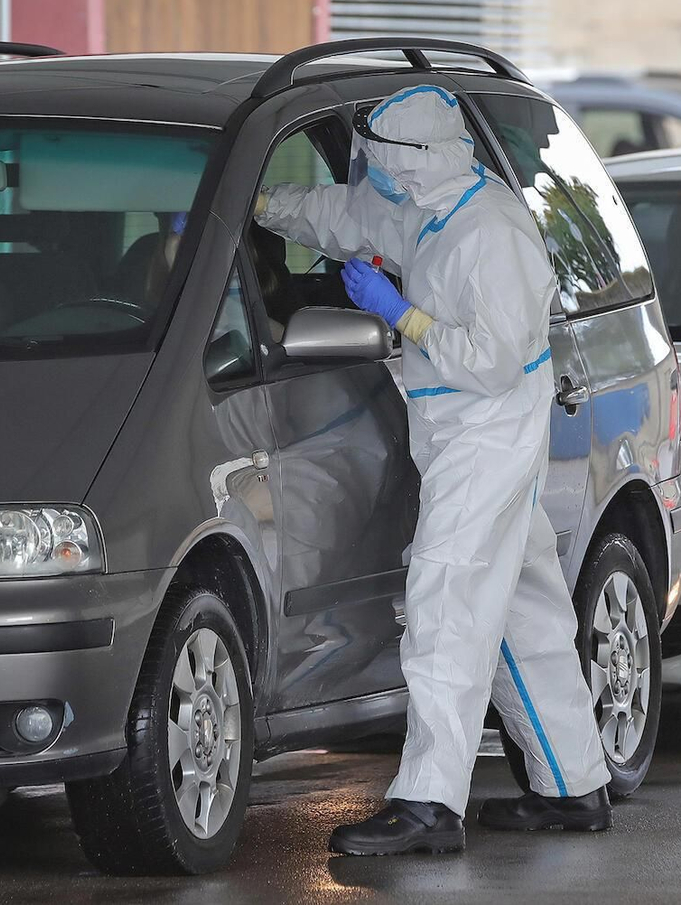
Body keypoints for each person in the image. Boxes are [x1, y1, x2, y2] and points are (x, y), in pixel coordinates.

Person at [254, 84, 612, 857]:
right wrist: (253, 202)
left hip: (489, 429)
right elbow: (337, 216)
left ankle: (428, 801)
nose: (370, 175)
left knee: (446, 600)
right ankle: (573, 783)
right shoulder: (416, 200)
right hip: (452, 427)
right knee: (523, 609)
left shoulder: (492, 232)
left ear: (416, 161)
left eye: (381, 162)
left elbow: (492, 363)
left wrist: (401, 312)